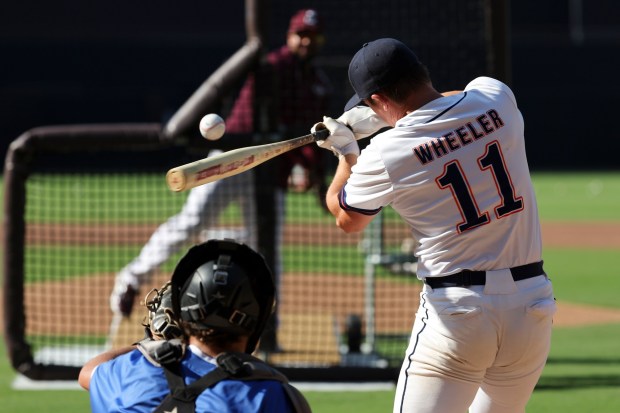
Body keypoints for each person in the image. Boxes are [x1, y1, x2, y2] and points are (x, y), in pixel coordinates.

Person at [312, 38, 556, 413]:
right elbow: (456, 95)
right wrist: (390, 114)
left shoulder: (387, 153)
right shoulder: (496, 100)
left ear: (377, 100)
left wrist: (347, 153)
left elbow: (347, 218)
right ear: (420, 71)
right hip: (532, 308)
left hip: (458, 315)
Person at [110, 9, 331, 352]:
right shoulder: (271, 66)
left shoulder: (316, 82)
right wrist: (304, 168)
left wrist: (312, 175)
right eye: (300, 34)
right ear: (289, 35)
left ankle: (267, 326)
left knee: (267, 248)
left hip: (269, 173)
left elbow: (307, 137)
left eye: (311, 36)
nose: (305, 41)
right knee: (192, 221)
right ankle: (131, 278)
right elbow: (279, 122)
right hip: (232, 159)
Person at [80, 239, 311, 413]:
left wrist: (160, 344)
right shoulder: (274, 398)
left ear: (182, 312)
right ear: (257, 321)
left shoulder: (126, 376)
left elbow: (89, 372)